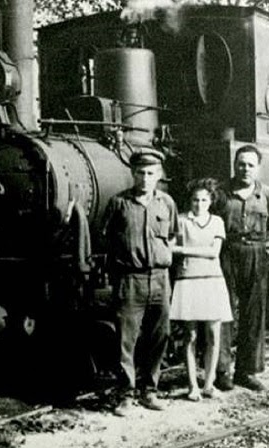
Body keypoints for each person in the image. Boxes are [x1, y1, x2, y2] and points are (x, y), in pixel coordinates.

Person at [101, 148, 179, 416]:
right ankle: (125, 395)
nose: (145, 178)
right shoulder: (118, 203)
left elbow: (172, 237)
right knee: (126, 339)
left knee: (160, 335)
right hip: (129, 279)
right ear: (132, 174)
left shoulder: (167, 203)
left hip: (159, 278)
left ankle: (150, 391)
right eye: (140, 173)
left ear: (158, 175)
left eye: (150, 173)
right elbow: (106, 239)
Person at [213, 145, 269, 392]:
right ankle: (222, 371)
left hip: (255, 255)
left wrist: (256, 245)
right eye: (241, 164)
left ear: (258, 168)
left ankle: (246, 371)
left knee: (253, 313)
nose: (245, 169)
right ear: (234, 165)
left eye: (250, 165)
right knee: (223, 311)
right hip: (226, 254)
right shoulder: (221, 194)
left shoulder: (267, 195)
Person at [170, 178, 233, 401]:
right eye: (195, 200)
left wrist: (182, 250)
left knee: (214, 335)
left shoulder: (217, 222)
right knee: (190, 336)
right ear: (190, 200)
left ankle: (209, 384)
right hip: (188, 280)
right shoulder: (180, 220)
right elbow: (169, 247)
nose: (199, 204)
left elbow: (213, 253)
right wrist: (193, 250)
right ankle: (192, 387)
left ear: (211, 201)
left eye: (204, 199)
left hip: (212, 281)